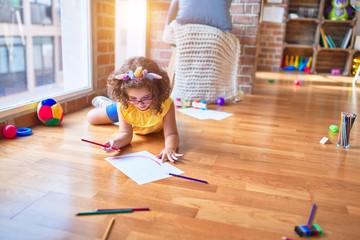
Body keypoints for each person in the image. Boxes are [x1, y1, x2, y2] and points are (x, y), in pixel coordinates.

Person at [86, 56, 183, 163]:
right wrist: (115, 142)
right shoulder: (124, 104)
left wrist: (170, 148)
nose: (140, 103)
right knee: (91, 117)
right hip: (129, 110)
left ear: (157, 92)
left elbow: (171, 134)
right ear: (124, 95)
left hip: (144, 115)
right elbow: (126, 134)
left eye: (146, 97)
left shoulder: (166, 104)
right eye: (133, 98)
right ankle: (106, 103)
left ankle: (110, 103)